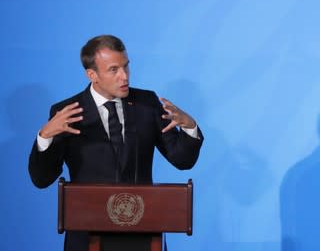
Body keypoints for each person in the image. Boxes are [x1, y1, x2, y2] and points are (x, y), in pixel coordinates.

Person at [28, 34, 204, 251]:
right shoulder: (67, 112)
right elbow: (42, 178)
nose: (125, 77)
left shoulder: (146, 104)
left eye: (126, 67)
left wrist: (189, 127)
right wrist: (45, 137)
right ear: (92, 74)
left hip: (143, 236)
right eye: (114, 70)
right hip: (87, 236)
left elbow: (182, 159)